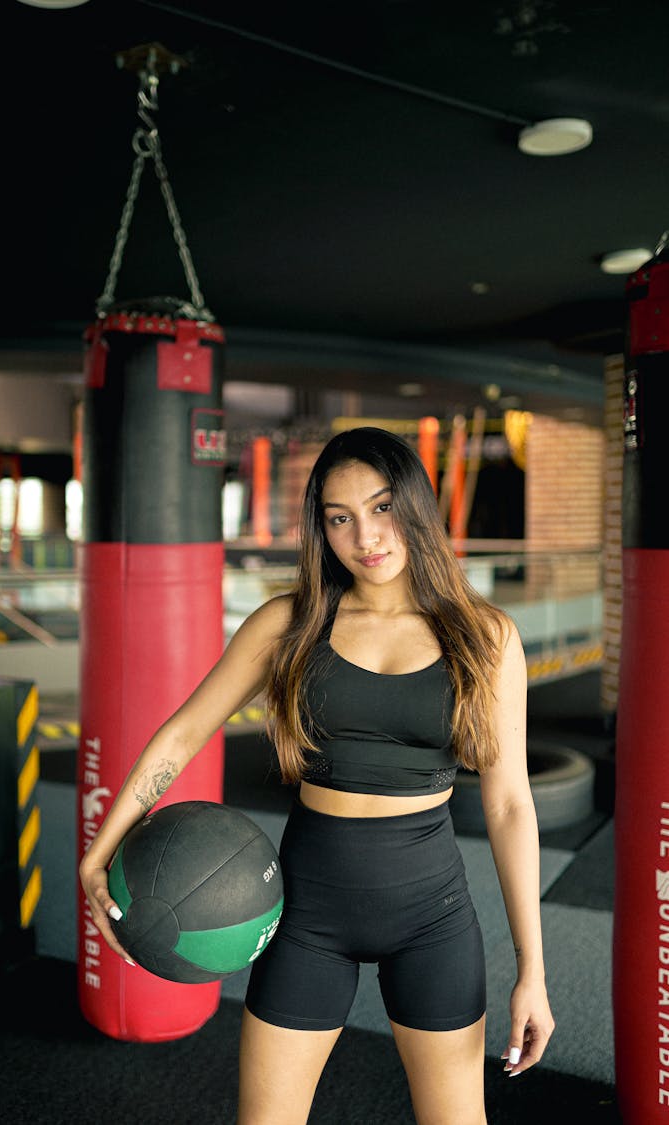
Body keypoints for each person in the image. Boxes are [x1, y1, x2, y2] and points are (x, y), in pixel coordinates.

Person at [80, 425, 555, 1124]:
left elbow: (511, 803)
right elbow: (182, 733)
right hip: (306, 912)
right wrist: (98, 851)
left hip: (432, 915)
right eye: (339, 517)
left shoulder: (487, 637)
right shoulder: (290, 623)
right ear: (321, 528)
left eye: (382, 505)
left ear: (416, 503)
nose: (365, 533)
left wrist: (534, 973)